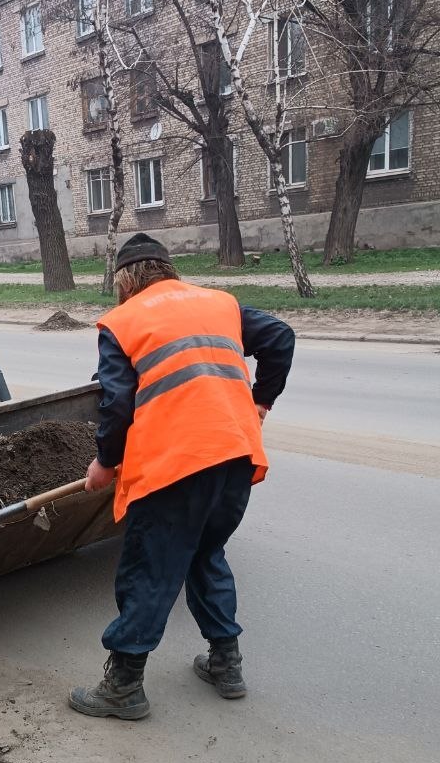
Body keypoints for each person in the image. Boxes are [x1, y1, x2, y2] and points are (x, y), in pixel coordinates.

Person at [70, 233, 295, 722]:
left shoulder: (124, 321)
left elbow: (116, 403)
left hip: (176, 466)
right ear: (168, 270)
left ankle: (124, 687)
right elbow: (280, 337)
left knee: (150, 569)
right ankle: (225, 663)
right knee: (205, 553)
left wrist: (105, 463)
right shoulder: (221, 304)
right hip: (235, 454)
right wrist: (261, 401)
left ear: (125, 279)